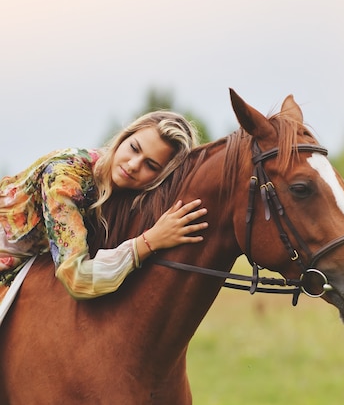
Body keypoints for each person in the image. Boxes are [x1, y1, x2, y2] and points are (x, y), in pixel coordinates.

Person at [0, 111, 208, 303]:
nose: (134, 164)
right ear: (123, 139)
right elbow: (76, 277)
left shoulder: (123, 191)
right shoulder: (64, 179)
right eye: (134, 148)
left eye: (151, 165)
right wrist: (149, 241)